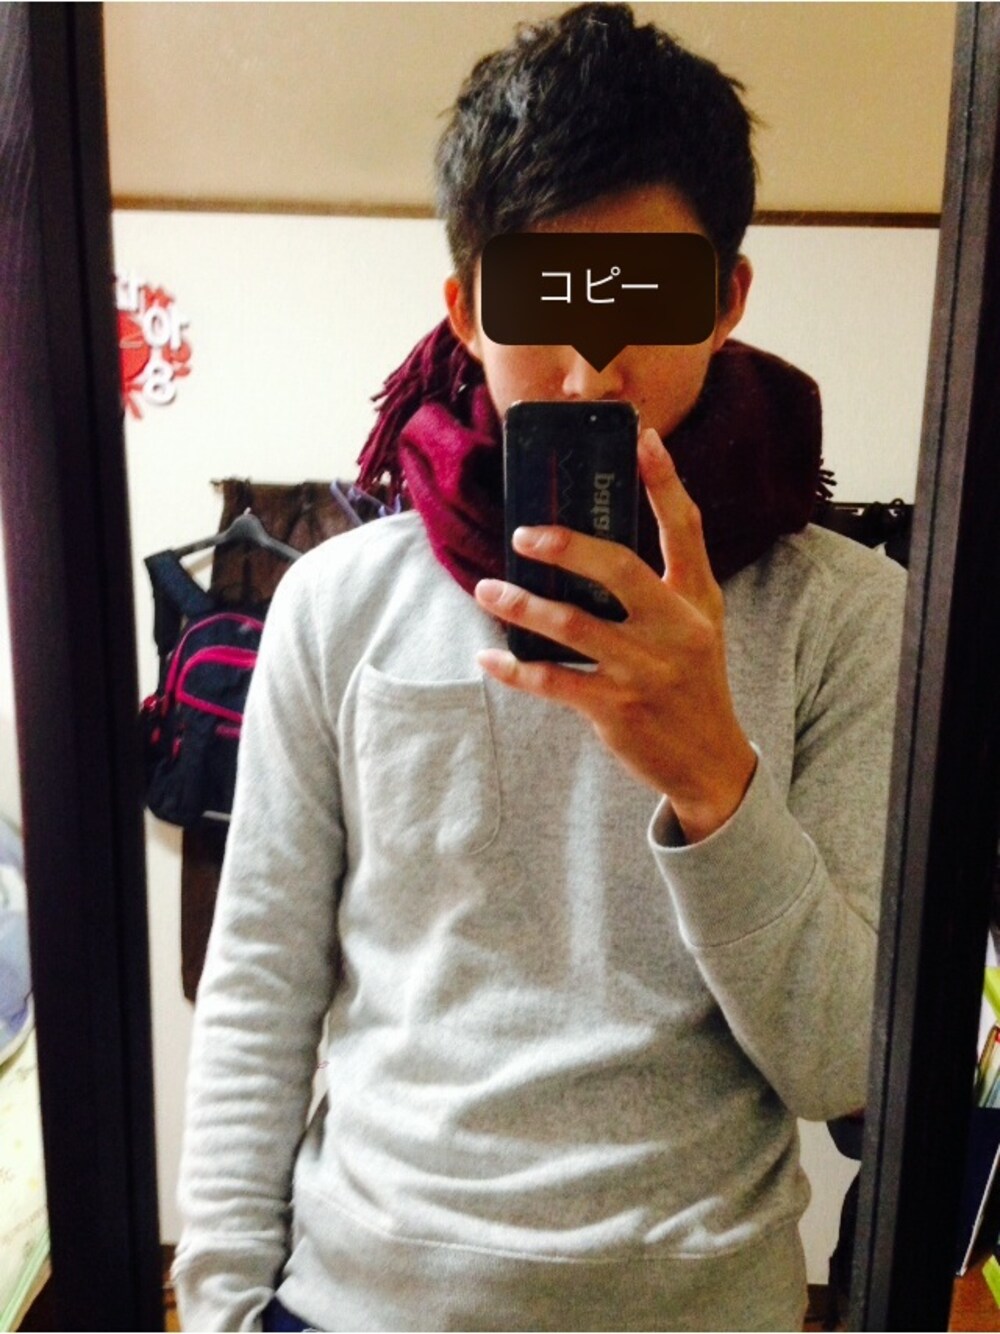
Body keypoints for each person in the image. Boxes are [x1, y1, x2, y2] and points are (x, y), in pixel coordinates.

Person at [172, 5, 906, 1330]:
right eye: (542, 299)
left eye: (643, 299)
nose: (588, 362)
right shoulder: (336, 603)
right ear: (464, 308)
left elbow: (844, 1064)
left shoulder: (849, 616)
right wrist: (222, 1305)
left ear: (728, 301)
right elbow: (261, 985)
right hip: (355, 1299)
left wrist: (715, 780)